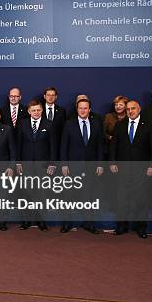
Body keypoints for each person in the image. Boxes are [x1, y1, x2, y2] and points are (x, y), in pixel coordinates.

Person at [109, 100, 152, 239]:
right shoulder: (120, 124)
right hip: (123, 169)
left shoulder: (149, 125)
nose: (130, 111)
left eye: (133, 108)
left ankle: (141, 227)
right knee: (121, 198)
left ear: (139, 109)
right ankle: (121, 226)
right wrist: (112, 162)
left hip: (142, 169)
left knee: (141, 199)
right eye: (128, 109)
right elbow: (114, 145)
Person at [59, 98, 104, 234]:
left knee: (89, 196)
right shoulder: (69, 124)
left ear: (89, 110)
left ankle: (89, 224)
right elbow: (63, 145)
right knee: (69, 196)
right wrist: (64, 164)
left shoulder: (96, 124)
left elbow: (100, 146)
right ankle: (67, 223)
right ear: (77, 109)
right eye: (80, 108)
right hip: (72, 166)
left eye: (85, 108)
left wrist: (100, 164)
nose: (83, 110)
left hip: (90, 166)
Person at [16, 99, 57, 231]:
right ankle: (26, 221)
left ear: (42, 110)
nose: (36, 112)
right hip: (26, 165)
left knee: (42, 194)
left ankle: (41, 221)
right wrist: (18, 162)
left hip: (43, 165)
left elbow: (53, 146)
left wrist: (52, 164)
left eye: (38, 110)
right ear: (29, 111)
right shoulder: (22, 124)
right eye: (33, 110)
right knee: (26, 193)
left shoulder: (49, 124)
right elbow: (18, 144)